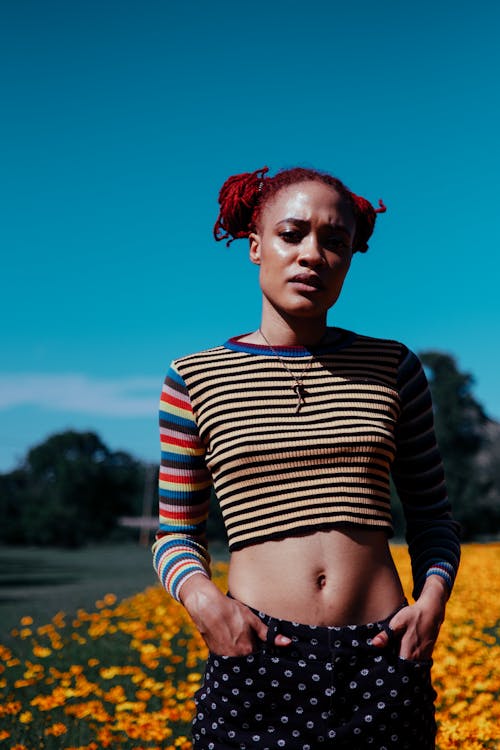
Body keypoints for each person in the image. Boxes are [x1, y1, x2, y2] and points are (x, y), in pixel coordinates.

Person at [152, 165, 461, 750]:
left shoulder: (394, 367)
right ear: (254, 246)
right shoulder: (193, 378)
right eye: (292, 234)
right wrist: (201, 601)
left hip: (384, 659)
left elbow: (433, 518)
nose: (312, 254)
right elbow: (176, 535)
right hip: (255, 660)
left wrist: (433, 603)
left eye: (334, 241)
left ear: (350, 257)